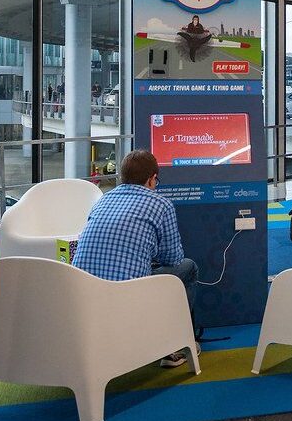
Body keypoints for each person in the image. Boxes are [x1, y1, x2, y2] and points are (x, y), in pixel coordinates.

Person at [72, 149, 199, 367]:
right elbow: (173, 258)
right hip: (127, 293)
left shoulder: (103, 200)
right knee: (188, 268)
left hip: (82, 293)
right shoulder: (161, 204)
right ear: (152, 179)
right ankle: (174, 345)